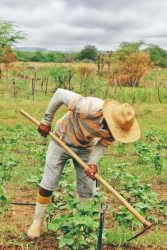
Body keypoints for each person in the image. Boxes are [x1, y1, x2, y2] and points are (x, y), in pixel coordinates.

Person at [27, 88, 141, 239]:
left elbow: (102, 145)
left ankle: (82, 227)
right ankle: (37, 223)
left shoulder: (117, 130)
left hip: (86, 147)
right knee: (49, 181)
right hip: (61, 139)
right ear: (108, 118)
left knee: (87, 188)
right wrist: (46, 120)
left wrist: (93, 163)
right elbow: (59, 94)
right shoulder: (88, 107)